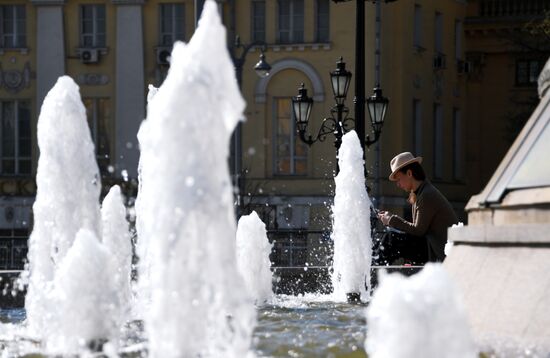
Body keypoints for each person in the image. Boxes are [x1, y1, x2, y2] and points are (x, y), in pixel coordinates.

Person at [377, 152, 458, 262]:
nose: (398, 184)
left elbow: (418, 230)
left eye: (399, 179)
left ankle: (374, 273)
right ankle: (375, 269)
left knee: (392, 239)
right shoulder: (421, 192)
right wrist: (392, 220)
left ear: (409, 173)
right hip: (432, 247)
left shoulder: (427, 194)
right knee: (387, 240)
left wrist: (391, 220)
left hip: (439, 253)